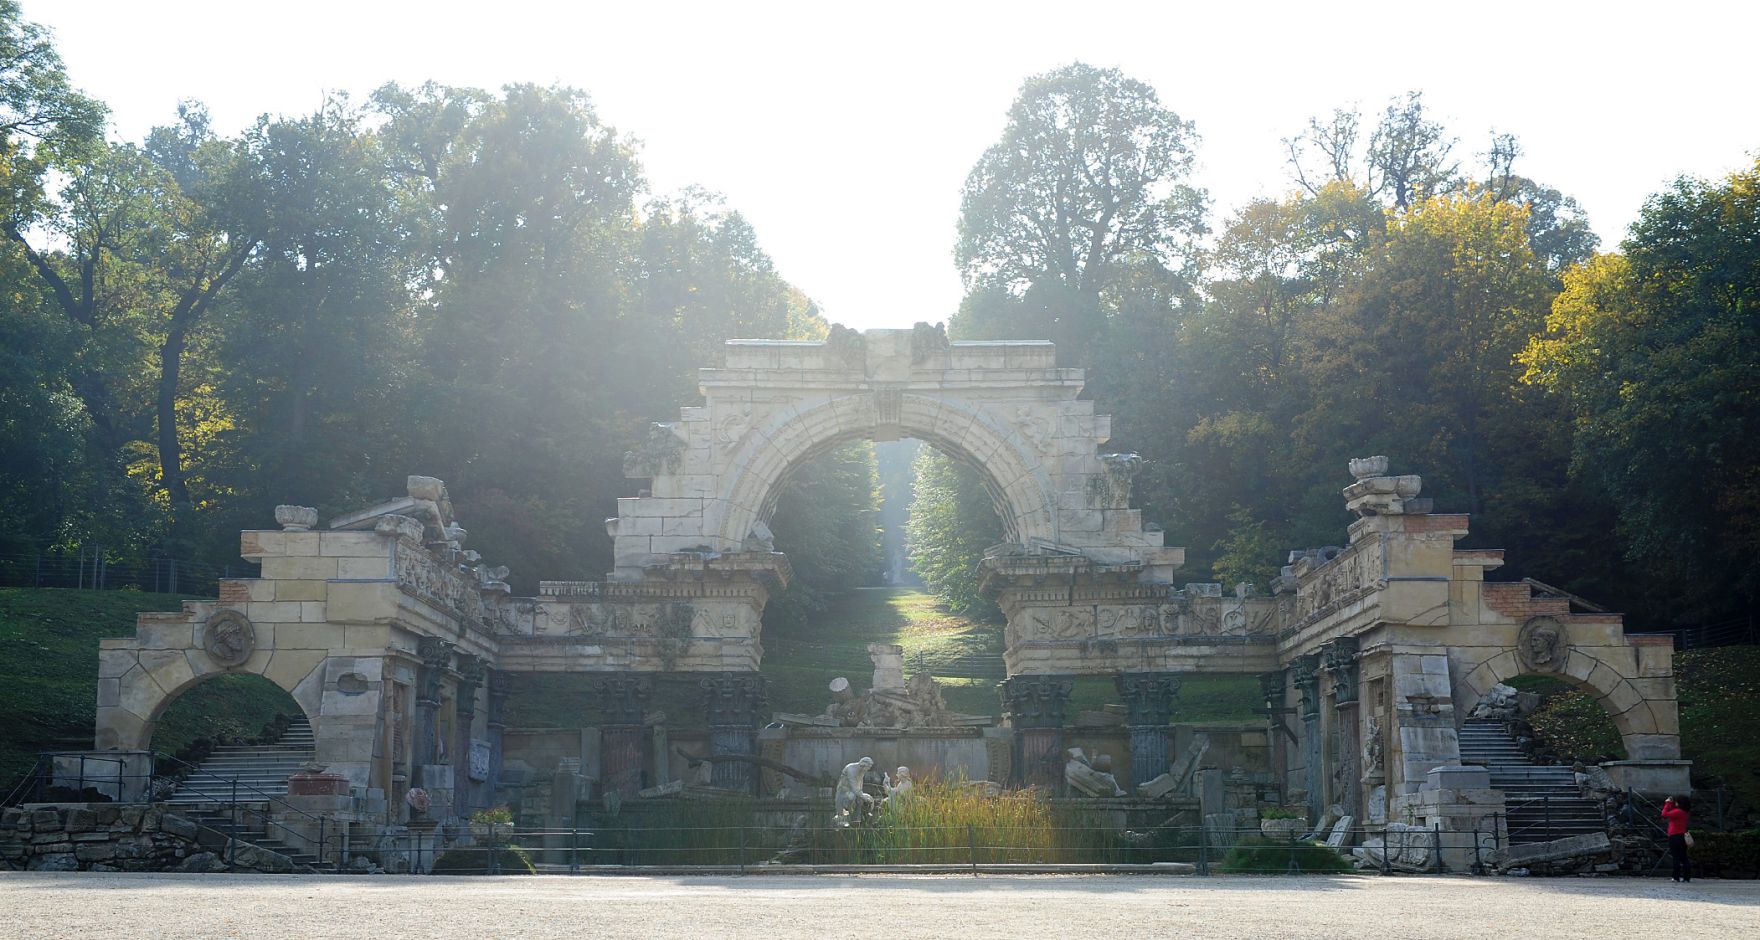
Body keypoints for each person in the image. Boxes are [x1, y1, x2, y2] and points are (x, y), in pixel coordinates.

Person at [1661, 795, 1692, 882]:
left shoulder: (1678, 812)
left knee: (1676, 857)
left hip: (1675, 836)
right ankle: (1686, 877)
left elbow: (1664, 814)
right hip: (1683, 836)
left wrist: (1667, 803)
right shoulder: (1685, 812)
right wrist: (1672, 804)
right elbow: (1674, 810)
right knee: (1684, 857)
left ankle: (1676, 876)